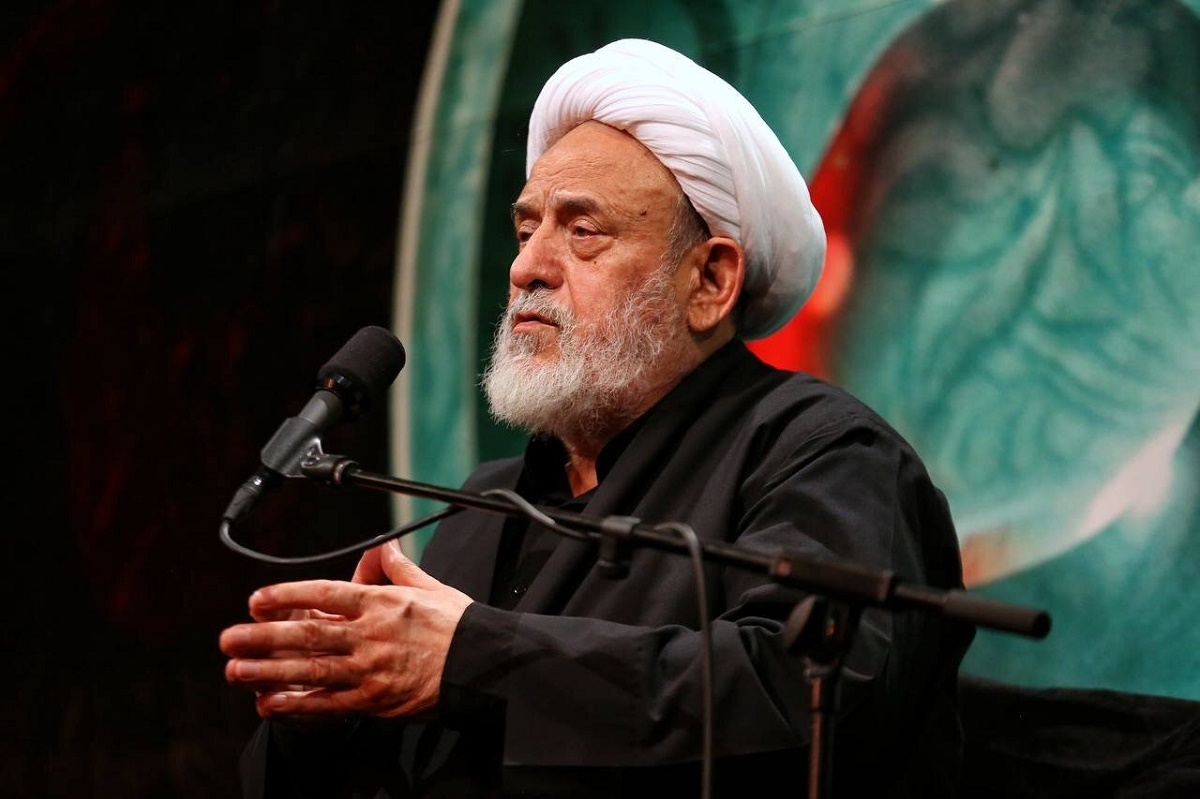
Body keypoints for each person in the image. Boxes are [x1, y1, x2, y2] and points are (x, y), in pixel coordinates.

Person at [221, 38, 974, 798]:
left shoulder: (825, 455)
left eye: (583, 232)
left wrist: (470, 659)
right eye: (526, 231)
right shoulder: (484, 507)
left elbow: (806, 698)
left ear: (710, 281)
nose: (526, 267)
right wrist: (324, 721)